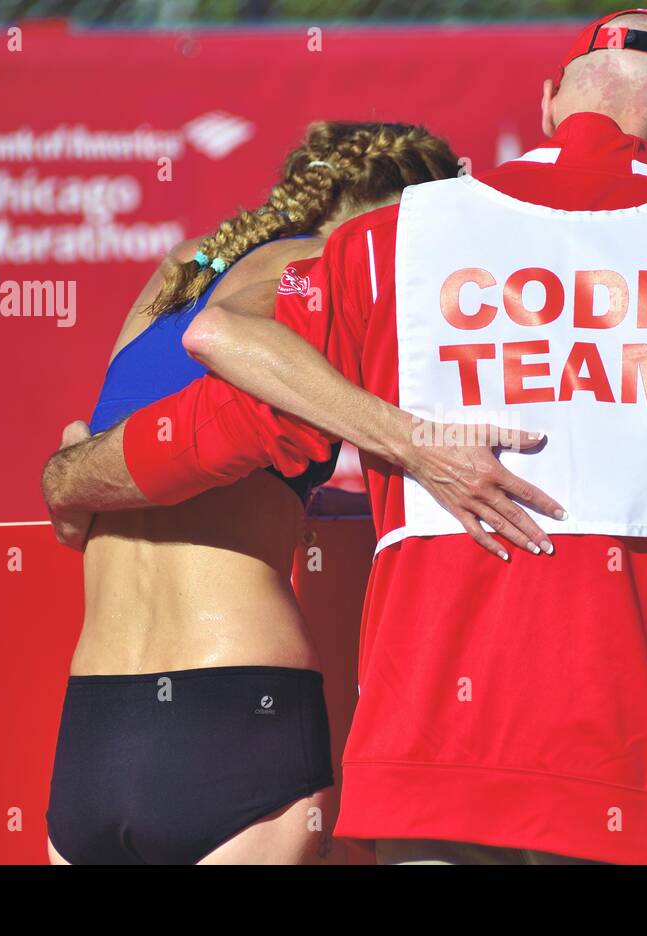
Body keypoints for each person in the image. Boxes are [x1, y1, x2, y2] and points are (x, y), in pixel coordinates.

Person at [43, 9, 647, 864]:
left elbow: (232, 420)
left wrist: (72, 479)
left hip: (428, 772)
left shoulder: (387, 248)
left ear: (552, 104)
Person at [42, 121, 469, 865]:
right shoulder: (333, 259)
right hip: (235, 708)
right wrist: (410, 439)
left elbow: (89, 473)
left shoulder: (181, 266)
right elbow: (225, 337)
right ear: (397, 210)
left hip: (95, 730)